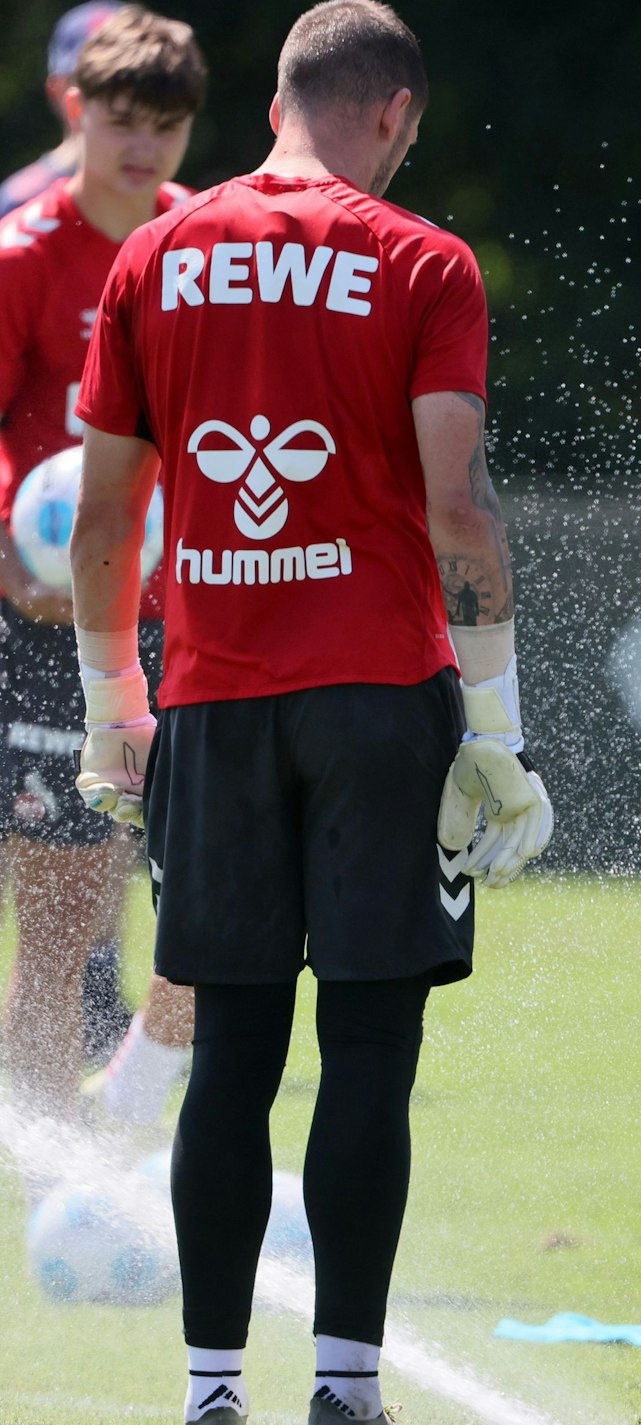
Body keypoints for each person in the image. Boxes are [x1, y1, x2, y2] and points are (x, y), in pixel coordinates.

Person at [71, 0, 551, 1425]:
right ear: (394, 112)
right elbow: (457, 505)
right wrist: (499, 726)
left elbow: (102, 516)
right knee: (368, 1052)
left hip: (211, 699)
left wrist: (112, 707)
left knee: (226, 1054)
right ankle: (344, 1399)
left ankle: (210, 1400)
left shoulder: (154, 252)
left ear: (276, 101)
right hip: (379, 704)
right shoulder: (420, 258)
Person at [0, 6, 203, 1122]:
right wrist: (12, 559)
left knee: (163, 906)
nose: (143, 147)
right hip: (37, 621)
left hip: (180, 625)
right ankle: (37, 1165)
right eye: (122, 120)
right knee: (53, 918)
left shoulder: (207, 250)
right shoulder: (24, 256)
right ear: (74, 109)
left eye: (167, 127)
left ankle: (87, 1138)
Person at [2, 0, 132, 1063]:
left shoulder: (181, 229)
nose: (138, 137)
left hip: (137, 589)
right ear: (66, 96)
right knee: (46, 847)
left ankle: (96, 998)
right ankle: (56, 1030)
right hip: (30, 591)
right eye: (110, 101)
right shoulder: (21, 231)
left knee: (109, 833)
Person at [0, 3, 123, 220]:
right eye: (92, 81)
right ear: (57, 91)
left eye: (126, 79)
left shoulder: (169, 198)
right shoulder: (17, 202)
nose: (116, 98)